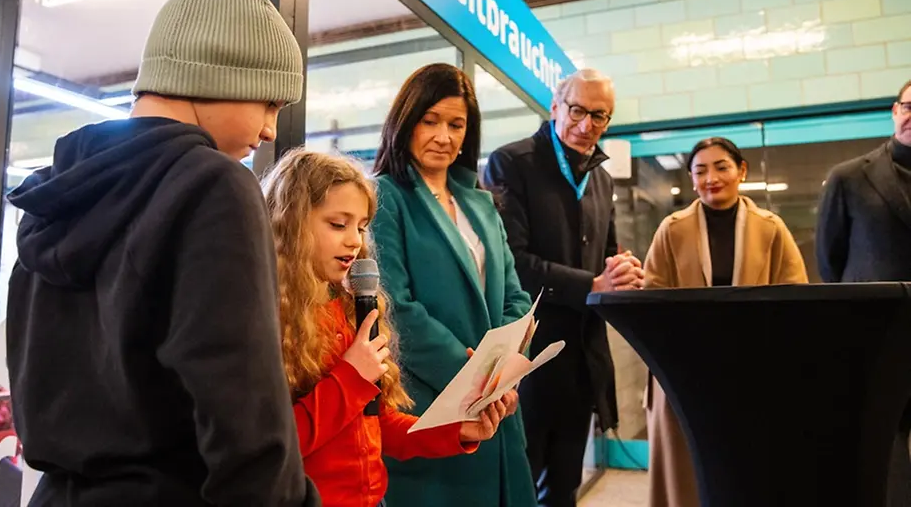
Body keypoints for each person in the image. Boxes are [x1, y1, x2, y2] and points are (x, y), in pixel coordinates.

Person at [6, 0, 317, 506]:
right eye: (270, 102)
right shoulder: (213, 184)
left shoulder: (57, 193)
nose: (269, 130)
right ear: (219, 74)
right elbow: (243, 411)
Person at [262, 149, 515, 507]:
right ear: (291, 222)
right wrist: (351, 377)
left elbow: (377, 427)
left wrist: (457, 429)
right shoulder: (269, 323)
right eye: (338, 224)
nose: (354, 240)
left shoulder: (350, 312)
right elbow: (276, 445)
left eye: (362, 226)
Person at [370, 63, 536, 507]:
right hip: (431, 399)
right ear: (406, 121)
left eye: (456, 124)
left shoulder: (480, 201)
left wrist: (498, 366)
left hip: (494, 399)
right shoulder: (384, 196)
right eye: (431, 121)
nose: (444, 136)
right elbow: (396, 306)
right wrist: (470, 376)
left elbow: (516, 295)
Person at [483, 68, 644, 507]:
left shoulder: (602, 178)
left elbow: (607, 252)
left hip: (582, 353)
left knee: (566, 484)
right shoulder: (510, 163)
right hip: (529, 352)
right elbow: (510, 261)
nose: (586, 124)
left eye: (600, 116)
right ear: (555, 105)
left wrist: (622, 270)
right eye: (577, 110)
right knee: (520, 480)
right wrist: (591, 282)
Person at [643, 136, 808, 507]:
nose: (711, 178)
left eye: (722, 167)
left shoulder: (771, 228)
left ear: (741, 171)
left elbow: (795, 297)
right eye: (700, 171)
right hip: (682, 369)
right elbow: (649, 303)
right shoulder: (671, 229)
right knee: (685, 472)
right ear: (691, 179)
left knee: (747, 466)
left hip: (752, 366)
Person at [816, 79, 911, 507]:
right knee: (882, 452)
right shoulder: (849, 177)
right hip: (876, 336)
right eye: (909, 106)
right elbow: (829, 263)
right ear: (894, 111)